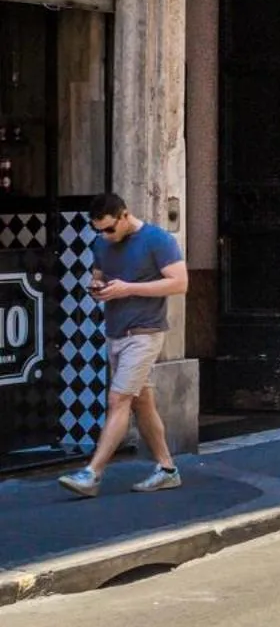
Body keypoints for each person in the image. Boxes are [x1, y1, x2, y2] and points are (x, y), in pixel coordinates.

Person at [58, 194, 187, 498]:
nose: (104, 236)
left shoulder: (157, 239)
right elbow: (99, 276)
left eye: (109, 229)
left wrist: (128, 289)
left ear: (125, 216)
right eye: (98, 230)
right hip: (116, 333)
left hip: (144, 332)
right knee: (142, 402)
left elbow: (180, 283)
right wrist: (96, 287)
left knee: (118, 400)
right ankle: (167, 469)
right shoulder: (102, 244)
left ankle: (92, 474)